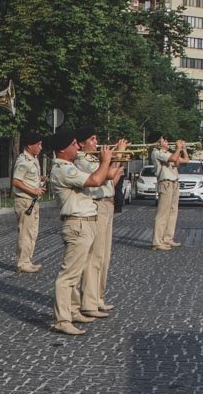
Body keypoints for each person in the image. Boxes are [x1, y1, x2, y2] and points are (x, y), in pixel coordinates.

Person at [51, 129, 115, 335]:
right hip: (77, 224)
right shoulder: (63, 169)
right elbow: (96, 180)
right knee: (68, 275)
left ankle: (73, 309)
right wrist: (106, 161)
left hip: (85, 222)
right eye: (73, 144)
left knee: (78, 272)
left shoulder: (68, 167)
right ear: (63, 149)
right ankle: (62, 319)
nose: (77, 147)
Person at [82, 132, 126, 316]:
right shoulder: (83, 160)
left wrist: (118, 162)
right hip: (97, 205)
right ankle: (89, 303)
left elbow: (111, 181)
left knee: (105, 257)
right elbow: (105, 175)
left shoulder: (95, 160)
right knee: (95, 256)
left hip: (107, 203)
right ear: (81, 143)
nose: (96, 142)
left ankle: (98, 297)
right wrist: (117, 157)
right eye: (91, 139)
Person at [11, 131, 46, 273]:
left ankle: (27, 260)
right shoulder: (23, 161)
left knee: (32, 232)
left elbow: (26, 178)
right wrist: (34, 191)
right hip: (25, 201)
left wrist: (40, 180)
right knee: (26, 233)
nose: (40, 147)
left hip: (32, 200)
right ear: (30, 145)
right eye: (38, 144)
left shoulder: (33, 159)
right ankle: (22, 263)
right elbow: (16, 181)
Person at [150, 136, 188, 251]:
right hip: (165, 183)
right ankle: (157, 241)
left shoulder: (170, 153)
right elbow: (172, 159)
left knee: (173, 212)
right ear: (158, 143)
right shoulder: (157, 152)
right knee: (163, 213)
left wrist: (183, 149)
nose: (167, 142)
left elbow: (185, 161)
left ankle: (167, 238)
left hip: (174, 183)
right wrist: (177, 149)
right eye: (164, 140)